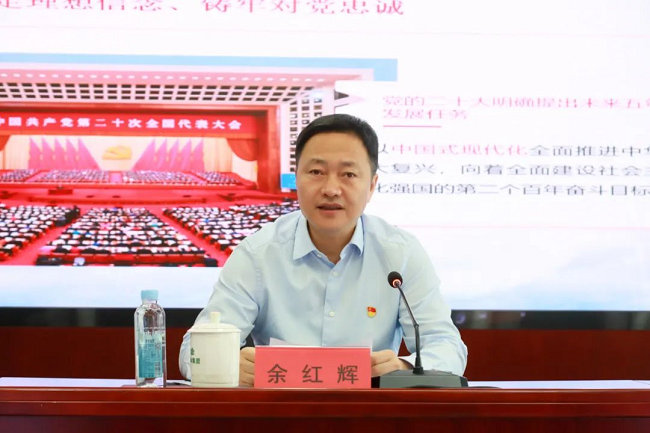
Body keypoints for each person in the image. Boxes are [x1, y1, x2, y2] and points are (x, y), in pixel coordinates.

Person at [179, 114, 467, 385]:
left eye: (348, 174)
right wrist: (228, 364)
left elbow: (447, 347)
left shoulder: (400, 253)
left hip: (371, 412)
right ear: (296, 179)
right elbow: (192, 352)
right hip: (278, 411)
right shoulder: (258, 253)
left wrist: (404, 368)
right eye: (316, 172)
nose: (331, 189)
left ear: (371, 186)